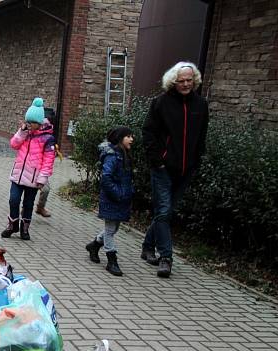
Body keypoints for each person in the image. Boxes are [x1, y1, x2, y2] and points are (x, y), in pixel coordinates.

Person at [141, 61, 209, 278]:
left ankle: (147, 246)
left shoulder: (201, 105)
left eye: (190, 80)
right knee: (163, 211)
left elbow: (201, 137)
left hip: (186, 169)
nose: (186, 84)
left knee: (167, 212)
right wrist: (158, 160)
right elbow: (148, 133)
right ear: (174, 81)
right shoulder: (160, 103)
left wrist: (196, 161)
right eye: (182, 81)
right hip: (163, 168)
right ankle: (166, 258)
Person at [2, 98, 56, 240]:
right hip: (18, 175)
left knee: (28, 204)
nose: (29, 125)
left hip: (33, 178)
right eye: (28, 122)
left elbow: (48, 161)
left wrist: (42, 178)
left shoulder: (48, 138)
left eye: (31, 122)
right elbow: (14, 144)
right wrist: (21, 132)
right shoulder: (25, 133)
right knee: (13, 200)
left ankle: (24, 229)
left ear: (38, 123)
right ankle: (12, 225)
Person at [86, 127, 135, 276]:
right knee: (110, 230)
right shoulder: (112, 156)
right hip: (112, 198)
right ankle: (111, 260)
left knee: (114, 229)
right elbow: (106, 178)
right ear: (119, 138)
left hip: (121, 198)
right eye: (128, 136)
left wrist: (128, 191)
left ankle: (94, 245)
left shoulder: (123, 154)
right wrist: (117, 193)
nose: (132, 139)